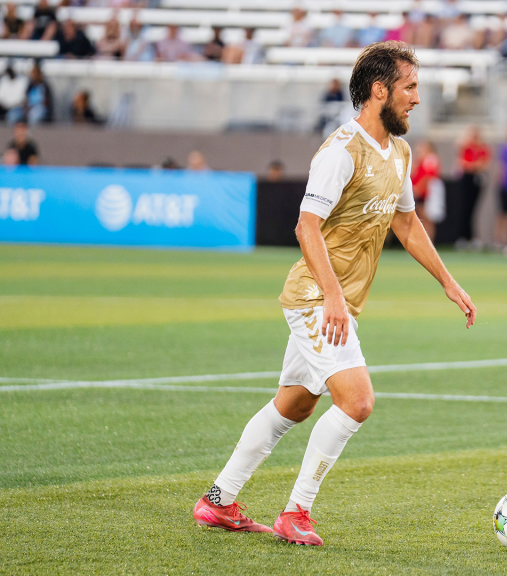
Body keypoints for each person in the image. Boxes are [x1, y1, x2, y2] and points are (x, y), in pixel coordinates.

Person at [193, 41, 477, 546]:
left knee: (295, 405)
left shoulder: (400, 151)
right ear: (379, 90)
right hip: (316, 299)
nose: (416, 98)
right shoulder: (341, 151)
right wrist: (333, 297)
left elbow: (406, 224)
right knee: (358, 401)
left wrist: (448, 282)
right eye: (410, 87)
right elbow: (306, 226)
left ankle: (218, 500)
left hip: (334, 303)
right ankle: (296, 512)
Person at [456, 125, 490, 245]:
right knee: (464, 208)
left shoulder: (482, 148)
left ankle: (471, 237)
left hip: (476, 180)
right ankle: (464, 236)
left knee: (473, 209)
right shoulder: (467, 147)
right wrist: (473, 165)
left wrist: (473, 165)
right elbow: (462, 163)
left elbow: (483, 165)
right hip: (466, 180)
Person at [411, 140, 442, 240]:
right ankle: (424, 239)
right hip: (421, 191)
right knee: (422, 217)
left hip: (427, 193)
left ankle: (429, 240)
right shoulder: (421, 160)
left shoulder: (430, 159)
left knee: (427, 218)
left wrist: (419, 188)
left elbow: (428, 176)